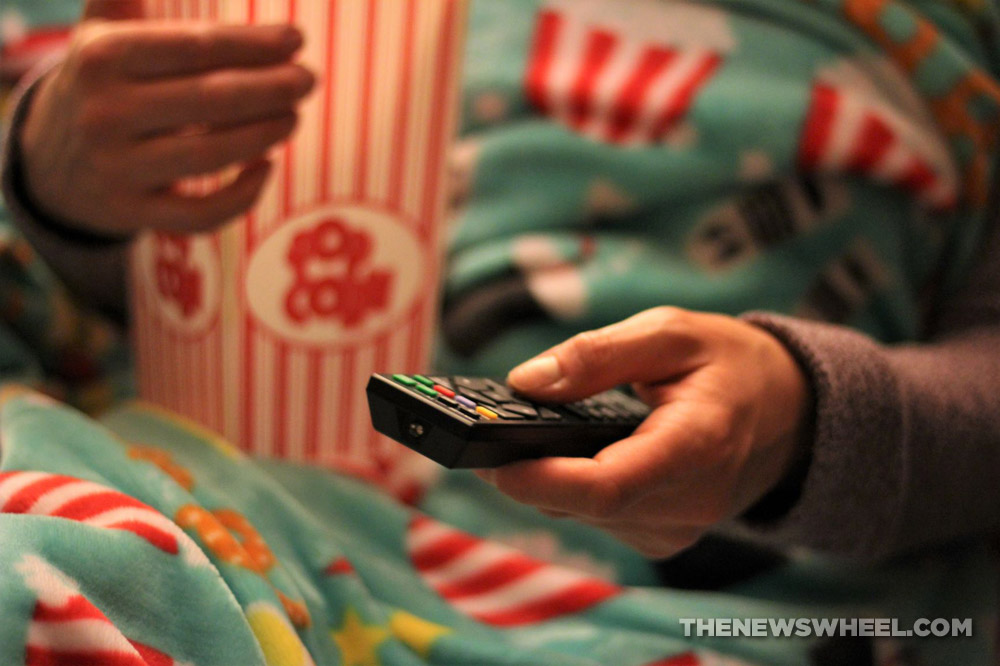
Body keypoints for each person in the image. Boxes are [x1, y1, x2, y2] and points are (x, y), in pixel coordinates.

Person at [4, 0, 1000, 568]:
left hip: (691, 568)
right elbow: (175, 247)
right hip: (218, 454)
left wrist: (805, 421)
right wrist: (60, 182)